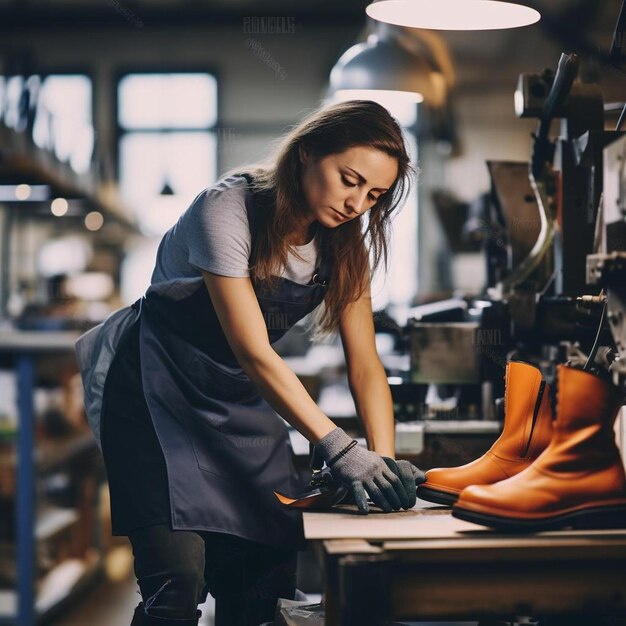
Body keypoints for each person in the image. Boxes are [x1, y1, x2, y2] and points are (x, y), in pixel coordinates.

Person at [75, 99, 425, 626]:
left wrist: (382, 463)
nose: (357, 203)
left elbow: (366, 365)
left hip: (237, 398)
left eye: (374, 195)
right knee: (177, 581)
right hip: (153, 391)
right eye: (349, 179)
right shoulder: (228, 208)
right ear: (307, 152)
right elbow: (253, 349)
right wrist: (336, 446)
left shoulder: (345, 244)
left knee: (264, 580)